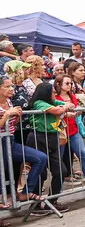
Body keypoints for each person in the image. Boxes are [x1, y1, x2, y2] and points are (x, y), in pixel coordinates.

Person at [0, 75, 48, 206]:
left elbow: (10, 125)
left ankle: (25, 192)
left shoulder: (9, 102)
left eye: (12, 86)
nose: (11, 89)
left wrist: (15, 118)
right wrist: (7, 114)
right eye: (7, 86)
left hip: (10, 140)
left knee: (40, 158)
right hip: (1, 143)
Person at [26, 82, 71, 213]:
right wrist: (65, 107)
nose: (55, 93)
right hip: (38, 138)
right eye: (52, 91)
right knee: (41, 172)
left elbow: (69, 105)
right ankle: (34, 205)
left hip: (52, 138)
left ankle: (51, 201)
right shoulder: (38, 103)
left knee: (61, 171)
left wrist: (65, 106)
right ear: (46, 92)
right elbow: (57, 110)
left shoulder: (52, 101)